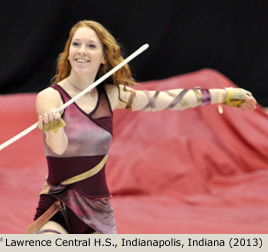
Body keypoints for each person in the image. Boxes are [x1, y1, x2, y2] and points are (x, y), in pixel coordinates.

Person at [26, 20, 257, 234]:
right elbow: (58, 148)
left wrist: (223, 95)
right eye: (76, 44)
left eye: (91, 46)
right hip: (58, 209)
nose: (82, 51)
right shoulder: (50, 98)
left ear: (104, 56)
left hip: (98, 212)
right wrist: (53, 128)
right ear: (68, 53)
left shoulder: (113, 95)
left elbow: (166, 99)